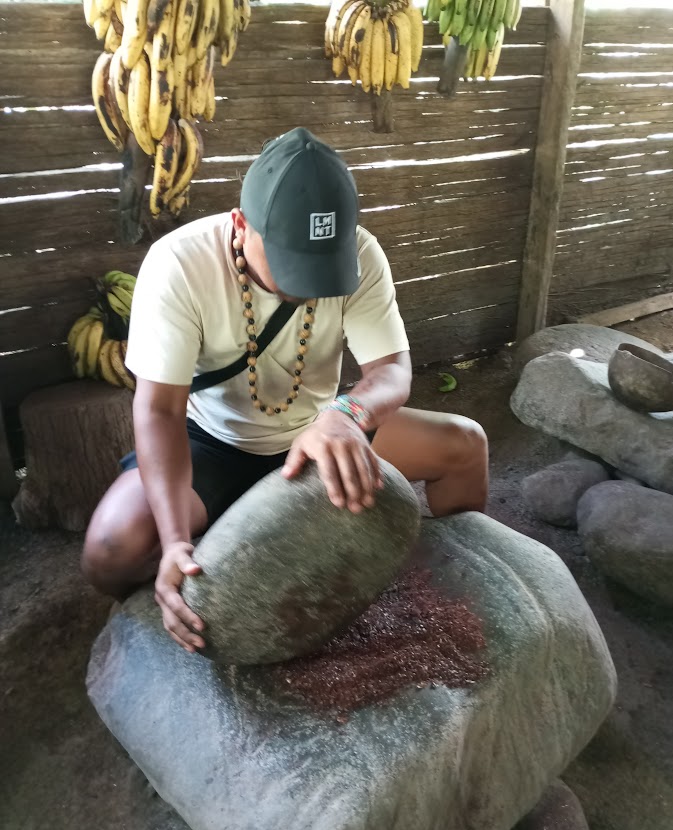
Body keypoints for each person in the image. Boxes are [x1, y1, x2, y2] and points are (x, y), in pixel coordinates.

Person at [81, 127, 488, 654]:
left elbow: (392, 370)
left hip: (323, 433)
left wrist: (346, 414)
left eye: (324, 265)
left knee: (466, 446)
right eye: (294, 264)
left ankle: (451, 593)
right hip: (214, 443)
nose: (309, 284)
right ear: (240, 224)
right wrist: (176, 538)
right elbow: (158, 410)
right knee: (110, 549)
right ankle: (166, 625)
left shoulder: (362, 253)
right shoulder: (179, 263)